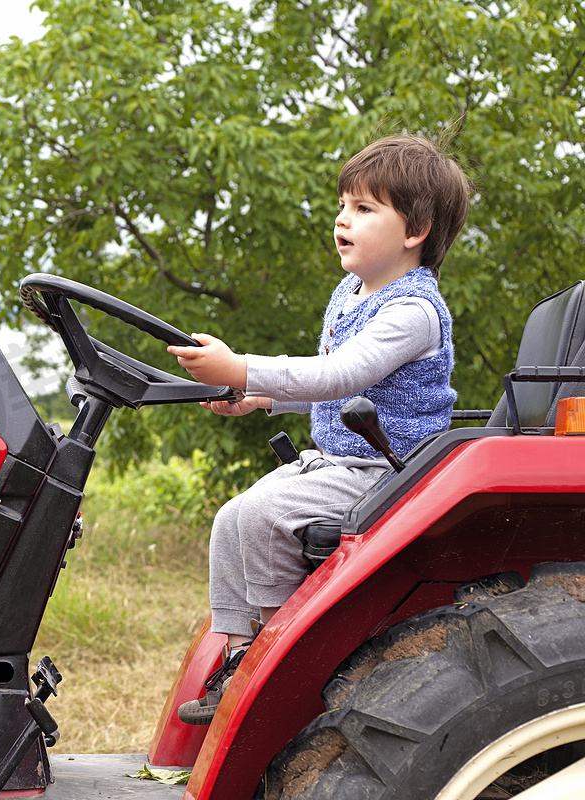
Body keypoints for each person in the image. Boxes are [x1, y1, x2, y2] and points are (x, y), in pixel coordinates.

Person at [167, 134, 471, 725]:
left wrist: (241, 366)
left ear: (415, 231)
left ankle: (277, 662)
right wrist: (258, 398)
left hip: (388, 469)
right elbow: (333, 390)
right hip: (340, 461)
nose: (342, 219)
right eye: (342, 205)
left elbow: (339, 375)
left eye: (364, 209)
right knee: (234, 516)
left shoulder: (412, 311)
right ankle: (239, 651)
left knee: (262, 516)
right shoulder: (352, 293)